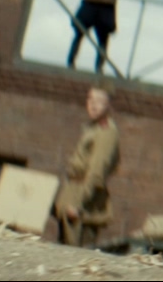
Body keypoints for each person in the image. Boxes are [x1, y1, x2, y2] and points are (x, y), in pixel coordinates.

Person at [56, 84, 121, 248]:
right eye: (90, 99)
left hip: (84, 198)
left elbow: (97, 171)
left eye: (99, 101)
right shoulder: (93, 128)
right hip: (73, 190)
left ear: (109, 105)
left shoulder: (107, 132)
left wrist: (79, 203)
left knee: (75, 253)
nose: (93, 105)